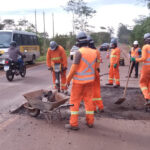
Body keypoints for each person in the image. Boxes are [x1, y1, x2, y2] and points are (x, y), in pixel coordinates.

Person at [65, 32, 97, 130]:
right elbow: (94, 68)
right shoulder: (94, 52)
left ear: (78, 42)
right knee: (89, 101)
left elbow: (74, 69)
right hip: (90, 82)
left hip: (79, 83)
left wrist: (67, 81)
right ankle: (90, 122)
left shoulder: (78, 52)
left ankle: (74, 124)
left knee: (74, 102)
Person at [131, 33, 150, 106]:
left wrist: (135, 59)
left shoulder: (145, 47)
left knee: (143, 83)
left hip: (147, 68)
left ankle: (147, 98)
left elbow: (143, 58)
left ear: (145, 39)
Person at [88, 36, 104, 113]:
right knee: (97, 90)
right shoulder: (97, 51)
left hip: (90, 74)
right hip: (96, 72)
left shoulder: (89, 52)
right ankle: (100, 107)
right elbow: (97, 62)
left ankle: (93, 108)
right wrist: (97, 68)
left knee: (91, 92)